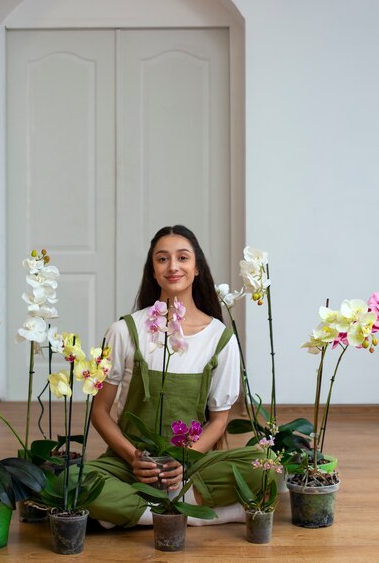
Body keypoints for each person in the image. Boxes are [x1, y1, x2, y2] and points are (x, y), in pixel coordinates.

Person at [85, 225, 264, 528]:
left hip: (190, 466)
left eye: (182, 257)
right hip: (130, 464)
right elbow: (100, 412)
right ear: (152, 271)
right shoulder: (123, 331)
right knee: (74, 482)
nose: (173, 266)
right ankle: (192, 515)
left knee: (265, 468)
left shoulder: (220, 339)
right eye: (162, 259)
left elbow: (219, 420)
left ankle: (131, 514)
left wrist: (185, 462)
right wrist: (133, 458)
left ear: (197, 269)